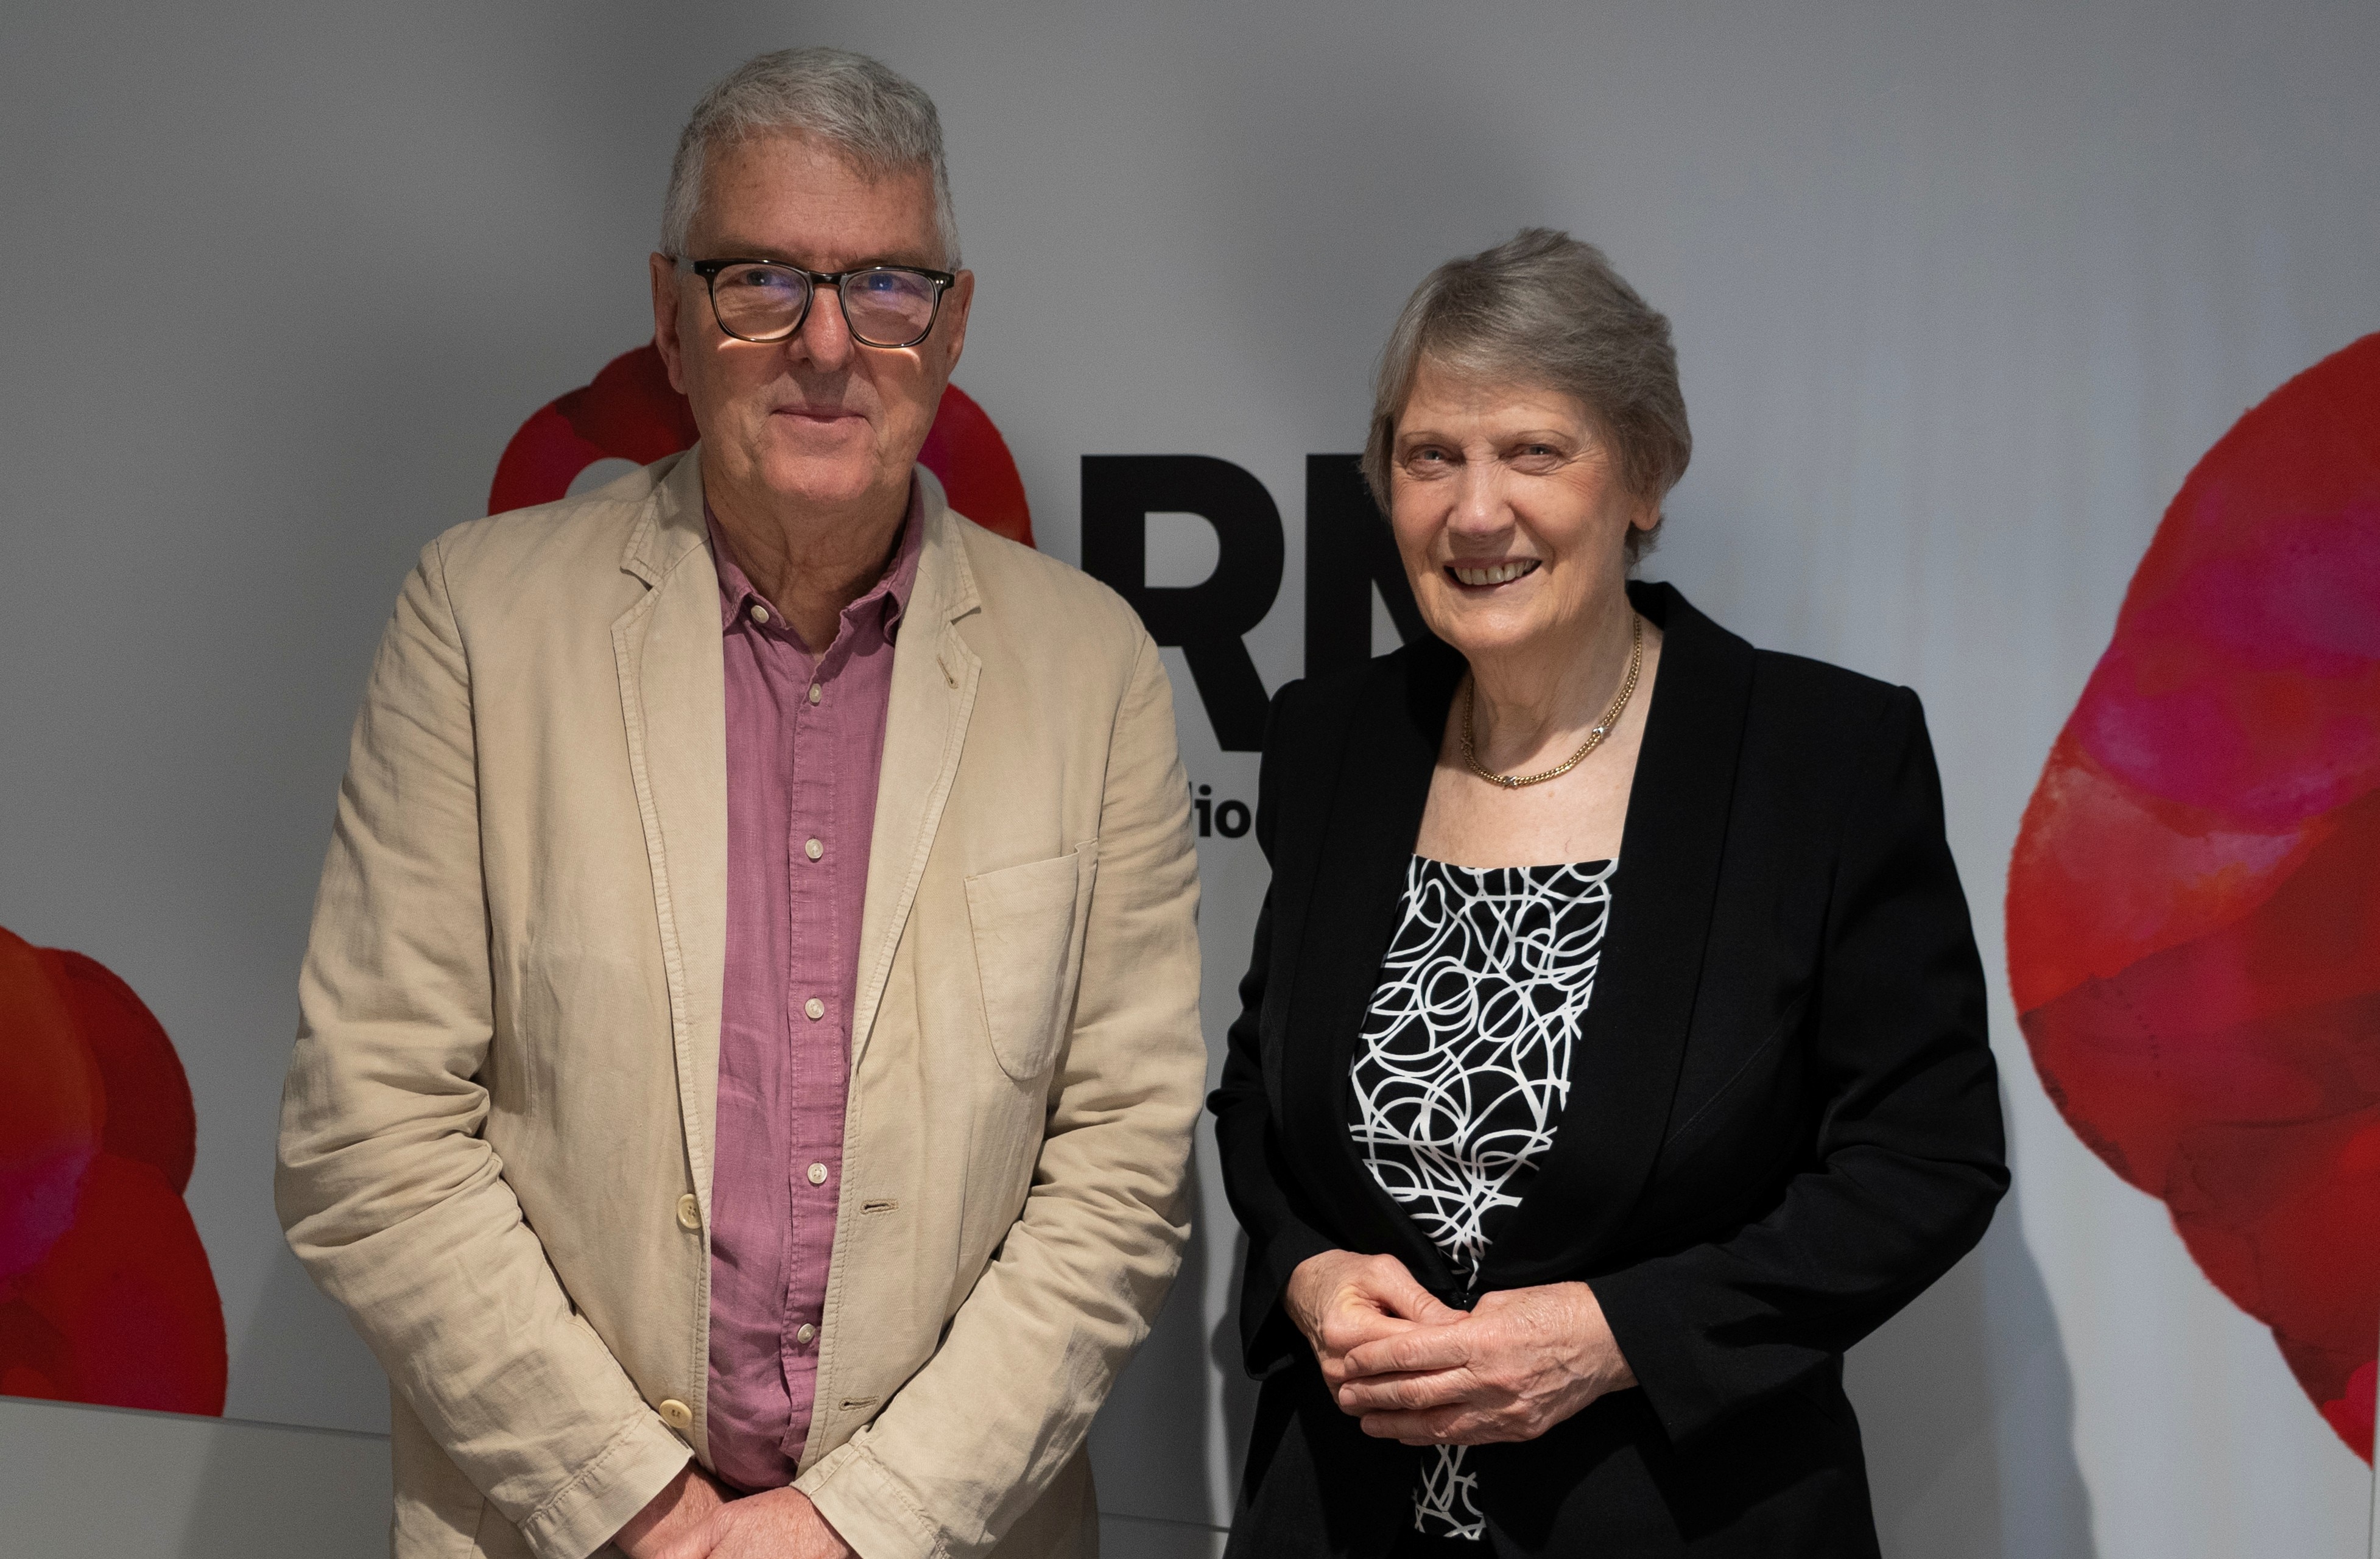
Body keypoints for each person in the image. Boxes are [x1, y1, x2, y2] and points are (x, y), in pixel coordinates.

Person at [276, 48, 1205, 1559]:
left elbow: (1121, 1175)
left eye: (887, 285)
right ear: (669, 314)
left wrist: (854, 1521)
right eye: (762, 279)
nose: (826, 344)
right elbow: (368, 1134)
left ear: (953, 324)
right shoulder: (480, 621)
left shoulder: (1089, 667)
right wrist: (643, 1509)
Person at [1209, 228, 2007, 1557]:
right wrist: (1305, 1272)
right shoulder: (1331, 741)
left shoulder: (1820, 760)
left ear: (1645, 472)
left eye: (1534, 451)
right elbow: (1257, 1094)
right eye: (1431, 455)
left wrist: (1614, 1335)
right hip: (1342, 1516)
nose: (1476, 511)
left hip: (1683, 1517)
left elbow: (1926, 1160)